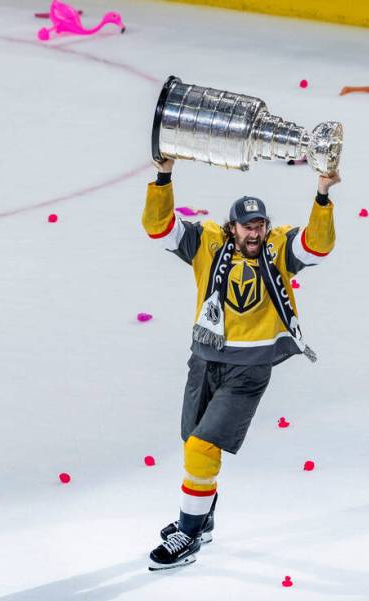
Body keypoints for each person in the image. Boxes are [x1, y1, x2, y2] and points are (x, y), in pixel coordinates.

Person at [141, 157, 341, 570]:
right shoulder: (207, 243)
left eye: (260, 224)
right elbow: (158, 227)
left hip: (248, 371)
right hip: (204, 360)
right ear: (232, 227)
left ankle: (189, 534)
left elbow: (317, 246)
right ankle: (204, 516)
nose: (255, 232)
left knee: (202, 446)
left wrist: (322, 195)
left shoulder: (278, 249)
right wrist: (163, 176)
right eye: (247, 225)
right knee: (193, 442)